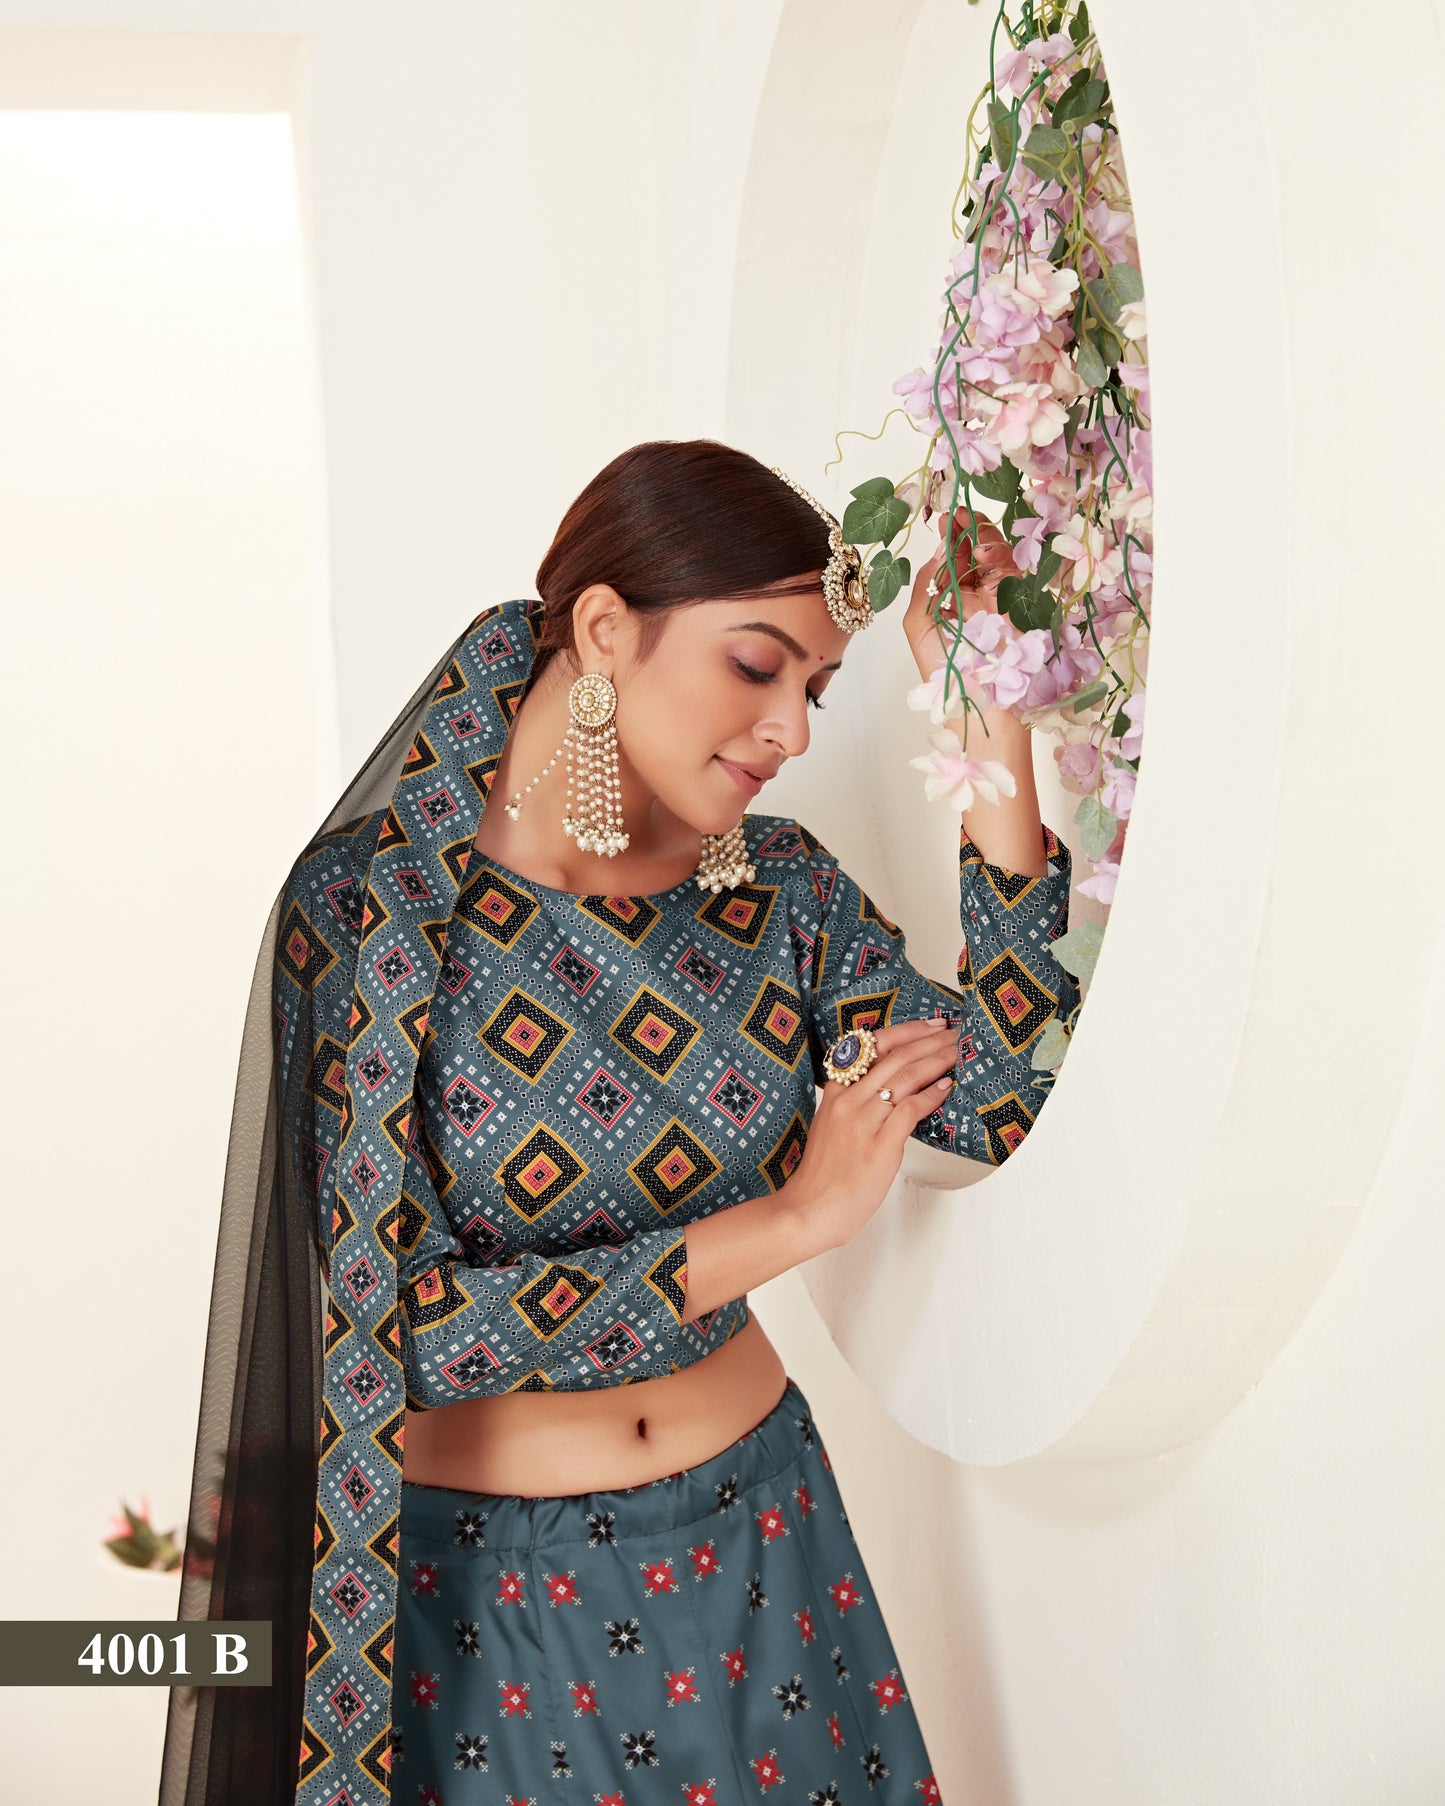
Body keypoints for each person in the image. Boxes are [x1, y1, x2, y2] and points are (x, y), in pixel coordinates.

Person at [158, 439, 1078, 1806]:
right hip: (494, 1608)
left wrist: (994, 724)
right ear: (602, 628)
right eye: (756, 665)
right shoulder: (372, 918)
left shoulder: (777, 895)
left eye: (817, 689)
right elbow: (398, 1333)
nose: (792, 730)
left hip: (769, 1548)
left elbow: (1001, 1090)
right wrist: (788, 1225)